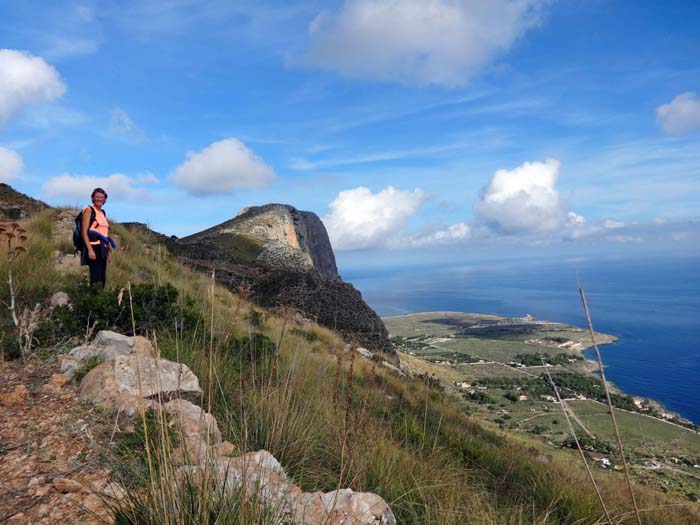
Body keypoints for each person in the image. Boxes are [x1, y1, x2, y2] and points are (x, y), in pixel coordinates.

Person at [81, 187, 112, 287]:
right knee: (95, 277)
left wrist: (108, 250)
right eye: (97, 197)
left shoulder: (102, 213)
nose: (99, 199)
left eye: (101, 197)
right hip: (93, 247)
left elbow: (104, 234)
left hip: (102, 248)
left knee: (102, 278)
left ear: (105, 200)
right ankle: (92, 300)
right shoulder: (89, 210)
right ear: (93, 198)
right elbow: (84, 232)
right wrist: (90, 249)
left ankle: (100, 300)